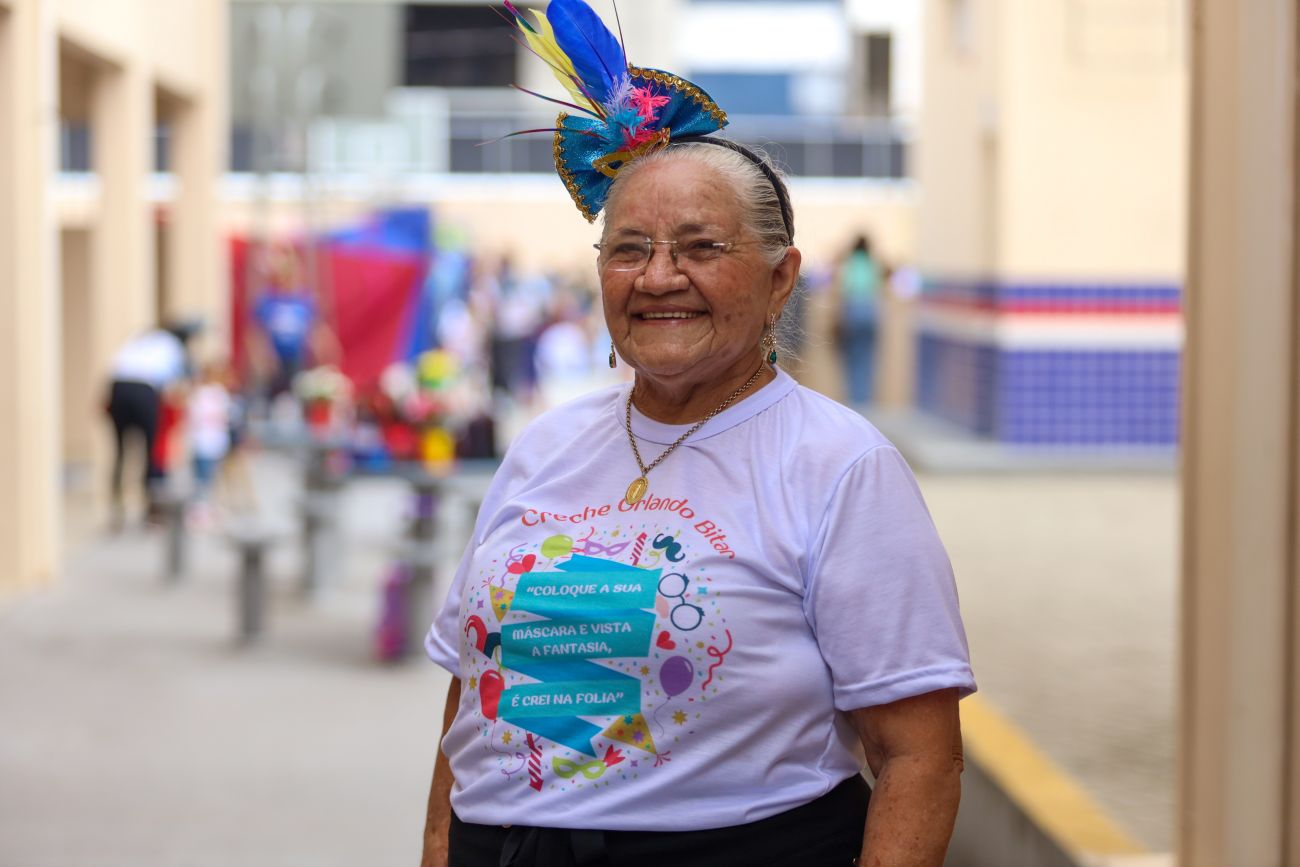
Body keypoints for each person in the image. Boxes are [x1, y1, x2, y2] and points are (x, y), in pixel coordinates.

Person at [420, 4, 975, 865]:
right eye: (628, 248)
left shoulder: (839, 466)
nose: (659, 276)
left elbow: (918, 756)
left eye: (700, 246)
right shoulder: (545, 447)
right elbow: (470, 720)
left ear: (780, 278)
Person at [104, 325, 188, 529]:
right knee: (151, 451)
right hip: (144, 390)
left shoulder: (137, 341)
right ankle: (152, 511)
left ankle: (117, 509)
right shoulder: (172, 345)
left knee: (120, 452)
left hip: (118, 388)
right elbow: (176, 384)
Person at [835, 234, 884, 406]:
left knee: (852, 358)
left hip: (853, 312)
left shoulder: (850, 263)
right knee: (868, 358)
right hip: (871, 312)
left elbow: (844, 292)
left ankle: (854, 401)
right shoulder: (873, 263)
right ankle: (865, 400)